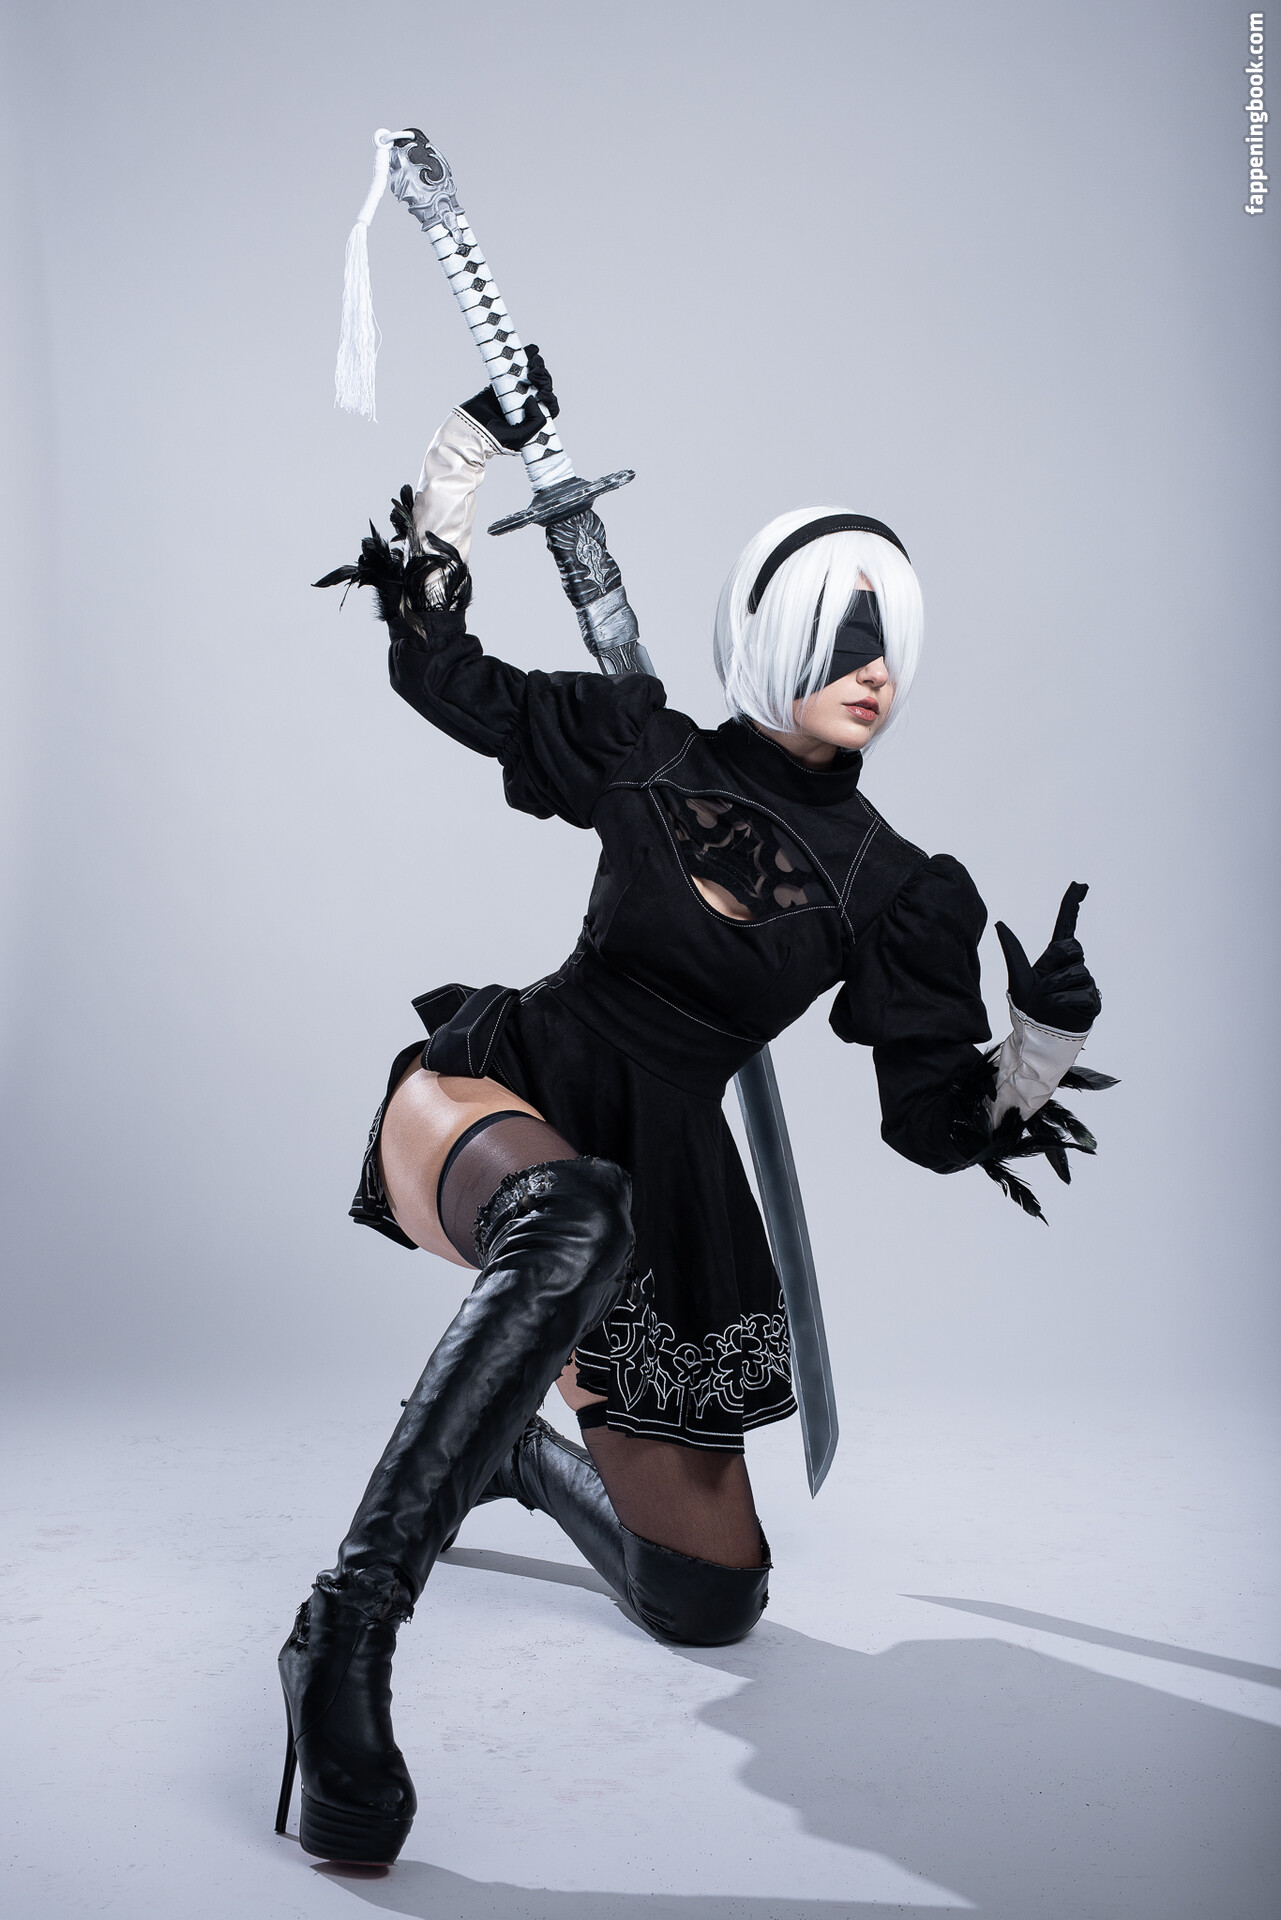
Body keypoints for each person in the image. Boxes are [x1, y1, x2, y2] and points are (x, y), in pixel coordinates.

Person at [275, 353, 1109, 1866]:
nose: (876, 670)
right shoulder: (641, 744)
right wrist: (463, 456)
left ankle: (519, 1453)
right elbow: (438, 671)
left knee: (710, 1599)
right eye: (845, 634)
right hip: (502, 1091)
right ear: (774, 630)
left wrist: (1036, 1048)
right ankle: (342, 1635)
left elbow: (931, 1121)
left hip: (673, 1188)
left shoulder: (901, 889)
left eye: (893, 642)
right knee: (569, 1215)